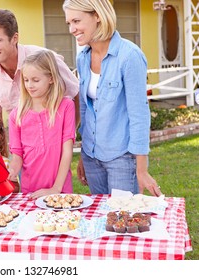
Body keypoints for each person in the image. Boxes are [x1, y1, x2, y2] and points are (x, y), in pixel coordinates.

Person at [63, 0, 162, 196]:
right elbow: (85, 110)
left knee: (121, 218)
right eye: (68, 23)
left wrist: (141, 170)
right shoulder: (83, 57)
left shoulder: (129, 56)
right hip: (92, 157)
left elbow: (139, 115)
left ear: (97, 16)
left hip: (122, 158)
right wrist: (84, 154)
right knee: (101, 219)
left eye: (76, 21)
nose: (72, 29)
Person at [0, 9, 79, 123]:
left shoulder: (47, 59)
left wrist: (69, 133)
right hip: (22, 137)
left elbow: (76, 95)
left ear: (14, 38)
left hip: (54, 134)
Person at [8, 50, 76, 199]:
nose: (29, 85)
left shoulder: (65, 106)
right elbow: (17, 156)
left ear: (51, 78)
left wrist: (55, 188)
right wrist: (11, 172)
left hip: (60, 190)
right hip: (30, 192)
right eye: (26, 80)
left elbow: (67, 152)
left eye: (35, 80)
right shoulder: (16, 115)